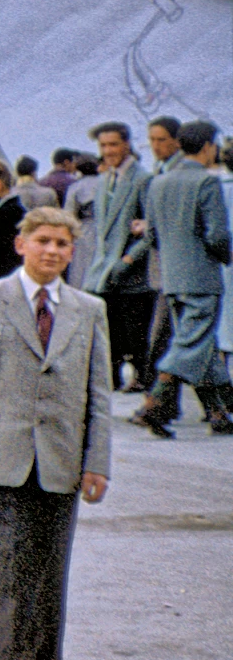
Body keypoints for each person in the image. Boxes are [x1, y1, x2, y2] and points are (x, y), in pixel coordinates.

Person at [0, 205, 113, 660]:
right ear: (21, 244)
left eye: (62, 244)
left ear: (71, 251)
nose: (51, 251)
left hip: (62, 454)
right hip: (6, 451)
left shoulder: (88, 310)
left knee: (51, 560)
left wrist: (97, 461)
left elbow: (100, 395)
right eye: (42, 240)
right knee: (5, 555)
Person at [132, 118, 229, 438]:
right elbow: (216, 235)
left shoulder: (159, 182)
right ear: (207, 147)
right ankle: (153, 405)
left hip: (172, 277)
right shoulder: (206, 182)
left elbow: (153, 234)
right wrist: (226, 256)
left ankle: (220, 410)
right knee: (191, 343)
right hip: (201, 276)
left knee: (200, 343)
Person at [71, 121, 157, 390]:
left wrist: (129, 259)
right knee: (110, 330)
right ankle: (112, 376)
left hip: (131, 273)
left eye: (113, 144)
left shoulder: (142, 178)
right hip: (105, 269)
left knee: (137, 332)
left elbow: (152, 229)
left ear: (127, 145)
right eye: (103, 146)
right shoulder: (106, 179)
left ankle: (143, 380)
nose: (108, 151)